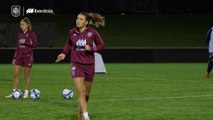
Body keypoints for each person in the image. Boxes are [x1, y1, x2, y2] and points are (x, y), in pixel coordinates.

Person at [56, 12, 105, 120]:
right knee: (81, 93)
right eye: (77, 18)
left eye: (81, 19)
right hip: (76, 64)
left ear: (87, 22)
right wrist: (64, 53)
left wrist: (91, 49)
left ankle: (81, 111)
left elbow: (102, 46)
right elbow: (69, 43)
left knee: (86, 95)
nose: (78, 20)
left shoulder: (93, 33)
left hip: (89, 65)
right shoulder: (72, 32)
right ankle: (86, 117)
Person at [5, 17, 37, 98]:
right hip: (19, 57)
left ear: (27, 25)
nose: (21, 26)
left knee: (26, 75)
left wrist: (25, 42)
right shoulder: (20, 34)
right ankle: (14, 93)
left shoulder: (31, 34)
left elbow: (35, 45)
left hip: (28, 57)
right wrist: (14, 57)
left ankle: (26, 93)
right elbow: (17, 47)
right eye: (20, 24)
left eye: (23, 24)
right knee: (15, 74)